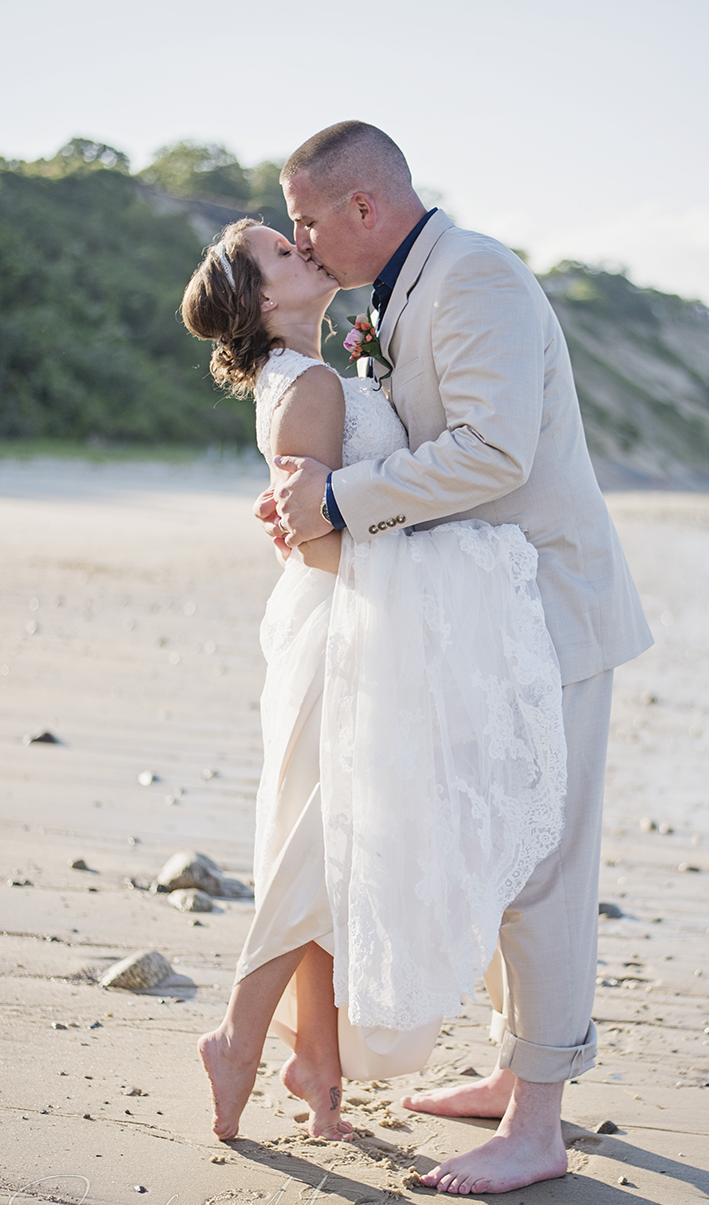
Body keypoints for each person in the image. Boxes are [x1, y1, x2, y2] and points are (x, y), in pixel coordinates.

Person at [267, 121, 653, 1195]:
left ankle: (538, 1122)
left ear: (361, 208)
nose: (300, 239)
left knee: (543, 870)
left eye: (306, 216)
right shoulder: (393, 297)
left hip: (551, 617)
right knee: (495, 847)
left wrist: (339, 500)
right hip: (483, 626)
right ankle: (507, 1067)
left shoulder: (474, 277)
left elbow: (493, 450)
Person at [181, 220, 568, 1146]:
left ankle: (316, 1067)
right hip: (342, 640)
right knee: (318, 848)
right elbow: (319, 548)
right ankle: (237, 1038)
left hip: (341, 634)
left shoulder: (311, 377)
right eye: (280, 253)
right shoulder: (311, 382)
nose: (302, 252)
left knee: (328, 848)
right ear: (265, 302)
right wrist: (467, 553)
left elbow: (317, 517)